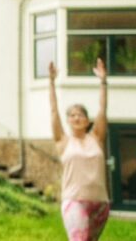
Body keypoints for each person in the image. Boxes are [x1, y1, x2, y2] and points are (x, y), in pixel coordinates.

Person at [49, 59, 110, 241]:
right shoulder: (62, 141)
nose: (76, 118)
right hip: (74, 201)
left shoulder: (97, 138)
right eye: (72, 115)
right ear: (68, 120)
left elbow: (103, 109)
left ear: (87, 120)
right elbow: (53, 111)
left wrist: (103, 81)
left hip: (100, 203)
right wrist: (51, 82)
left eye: (81, 115)